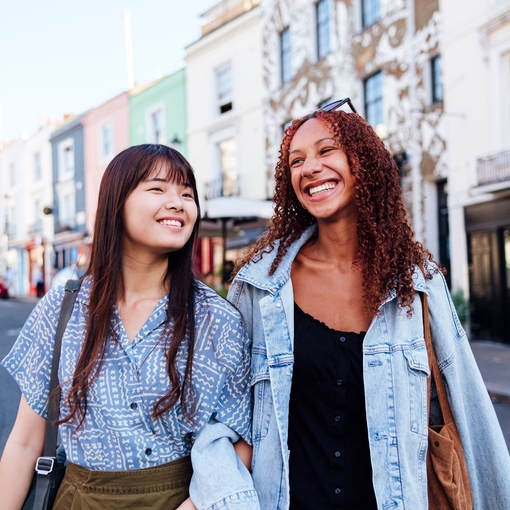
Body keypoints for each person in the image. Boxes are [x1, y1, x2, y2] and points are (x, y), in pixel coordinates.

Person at [227, 99, 510, 509]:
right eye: (296, 161)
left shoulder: (418, 283)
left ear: (363, 162)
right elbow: (232, 417)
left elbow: (471, 411)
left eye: (326, 151)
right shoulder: (260, 286)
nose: (309, 168)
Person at [0, 144, 259, 510]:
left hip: (181, 499)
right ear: (116, 203)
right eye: (158, 189)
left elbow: (243, 439)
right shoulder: (64, 307)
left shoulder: (216, 317)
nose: (178, 202)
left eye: (187, 193)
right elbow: (25, 443)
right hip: (79, 499)